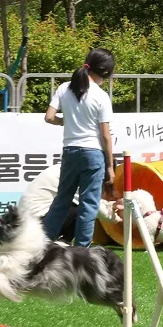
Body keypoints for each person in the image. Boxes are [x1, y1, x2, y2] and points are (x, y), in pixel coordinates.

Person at [41, 48, 116, 247]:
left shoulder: (64, 88)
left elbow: (48, 117)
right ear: (105, 73)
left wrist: (64, 122)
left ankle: (41, 244)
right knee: (88, 205)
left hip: (70, 150)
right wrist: (110, 166)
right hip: (93, 153)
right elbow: (106, 136)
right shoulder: (101, 96)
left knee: (61, 201)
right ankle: (82, 251)